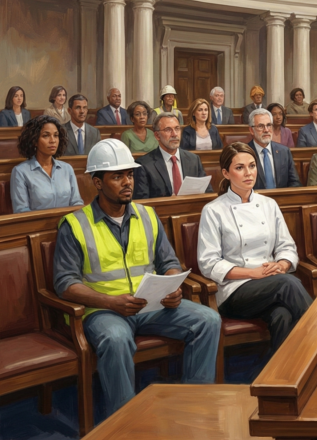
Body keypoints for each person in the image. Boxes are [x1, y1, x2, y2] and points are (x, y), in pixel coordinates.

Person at [52, 138, 220, 414]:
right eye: (117, 176)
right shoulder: (75, 224)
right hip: (103, 311)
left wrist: (173, 287)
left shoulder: (148, 215)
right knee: (116, 339)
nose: (127, 182)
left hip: (150, 306)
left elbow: (169, 262)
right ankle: (124, 420)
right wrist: (111, 302)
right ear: (97, 182)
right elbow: (65, 284)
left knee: (208, 320)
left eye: (129, 175)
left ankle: (194, 404)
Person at [197, 142, 312, 353]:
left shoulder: (269, 204)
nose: (248, 173)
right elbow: (209, 263)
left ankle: (281, 372)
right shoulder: (213, 210)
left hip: (272, 282)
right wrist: (252, 273)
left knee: (282, 316)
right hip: (235, 290)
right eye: (240, 168)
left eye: (252, 166)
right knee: (288, 283)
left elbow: (286, 246)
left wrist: (282, 265)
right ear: (226, 173)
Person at [10, 115, 83, 213]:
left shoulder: (67, 168)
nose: (53, 140)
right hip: (37, 223)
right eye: (46, 136)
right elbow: (21, 210)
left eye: (56, 135)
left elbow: (76, 202)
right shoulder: (20, 172)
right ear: (34, 140)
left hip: (68, 221)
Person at [133, 112, 212, 199]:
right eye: (168, 130)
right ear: (157, 135)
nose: (174, 134)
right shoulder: (143, 165)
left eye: (177, 129)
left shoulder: (194, 160)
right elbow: (142, 201)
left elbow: (207, 192)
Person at [247, 109, 301, 189]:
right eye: (261, 126)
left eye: (269, 125)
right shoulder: (244, 153)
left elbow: (295, 182)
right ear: (251, 130)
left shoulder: (284, 151)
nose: (266, 130)